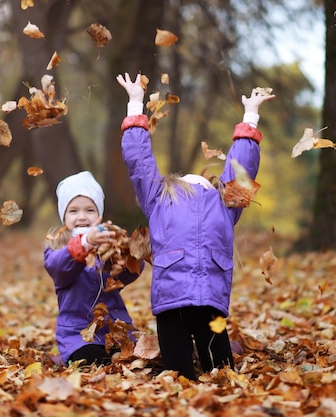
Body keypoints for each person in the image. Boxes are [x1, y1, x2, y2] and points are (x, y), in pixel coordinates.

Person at [116, 72, 275, 380]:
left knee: (223, 372)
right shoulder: (160, 197)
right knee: (177, 375)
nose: (196, 179)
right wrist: (135, 106)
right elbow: (140, 162)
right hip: (171, 304)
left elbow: (242, 167)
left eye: (204, 181)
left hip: (211, 305)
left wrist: (250, 117)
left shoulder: (226, 203)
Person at [44, 171, 142, 366]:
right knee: (93, 359)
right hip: (77, 332)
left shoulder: (105, 244)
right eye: (73, 211)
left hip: (114, 327)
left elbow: (128, 275)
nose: (82, 217)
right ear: (64, 216)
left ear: (99, 215)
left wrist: (126, 253)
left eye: (89, 210)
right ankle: (68, 356)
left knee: (135, 357)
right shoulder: (58, 246)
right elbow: (59, 268)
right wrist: (84, 244)